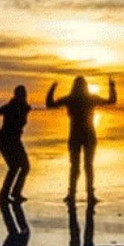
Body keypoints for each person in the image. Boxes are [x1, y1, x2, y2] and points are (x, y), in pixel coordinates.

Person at [46, 75, 116, 203]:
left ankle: (73, 194)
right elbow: (112, 100)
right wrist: (111, 86)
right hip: (87, 135)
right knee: (87, 166)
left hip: (77, 136)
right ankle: (88, 195)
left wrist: (52, 88)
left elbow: (50, 104)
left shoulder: (71, 99)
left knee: (76, 167)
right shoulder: (89, 99)